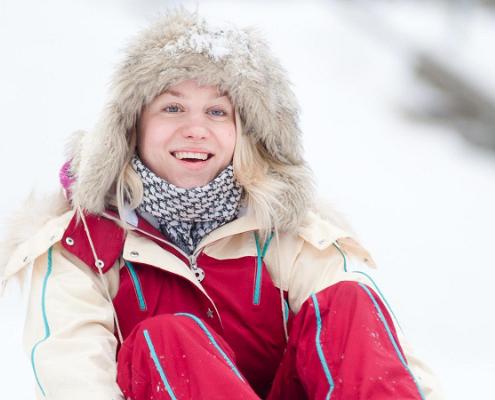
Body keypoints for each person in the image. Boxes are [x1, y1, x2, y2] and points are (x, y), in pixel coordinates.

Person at [0, 9, 442, 400]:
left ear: (242, 132)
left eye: (216, 112)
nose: (196, 129)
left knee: (345, 299)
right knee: (168, 337)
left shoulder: (285, 230)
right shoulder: (84, 245)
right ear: (132, 127)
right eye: (172, 108)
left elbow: (382, 353)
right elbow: (73, 376)